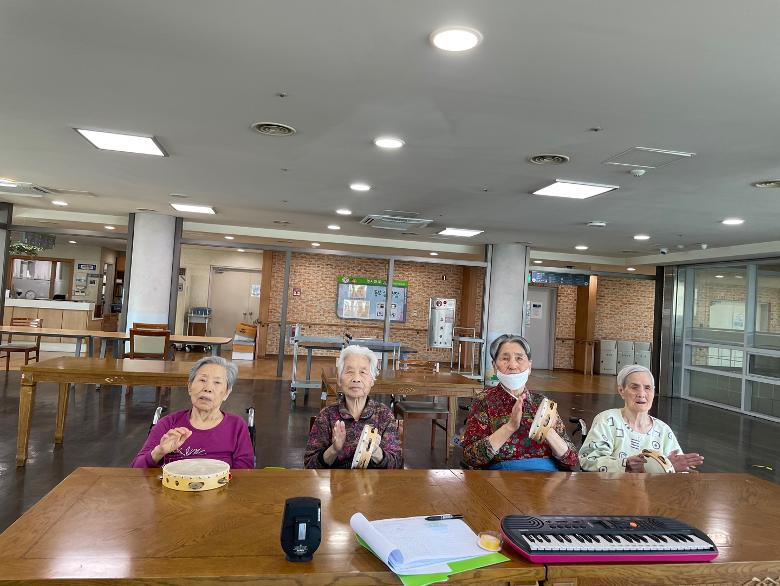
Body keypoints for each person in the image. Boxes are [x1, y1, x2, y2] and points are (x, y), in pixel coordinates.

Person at [461, 334, 578, 471]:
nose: (513, 365)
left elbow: (572, 460)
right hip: (503, 478)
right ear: (494, 366)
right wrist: (510, 427)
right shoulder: (484, 401)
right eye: (505, 359)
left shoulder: (542, 403)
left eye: (519, 358)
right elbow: (471, 458)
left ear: (530, 366)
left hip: (547, 478)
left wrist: (548, 431)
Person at [131, 356, 254, 469]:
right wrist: (159, 452)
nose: (208, 388)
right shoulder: (168, 424)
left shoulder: (236, 426)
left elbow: (245, 473)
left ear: (226, 393)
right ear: (190, 387)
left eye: (217, 382)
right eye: (202, 380)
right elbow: (136, 468)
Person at [579, 364, 704, 473]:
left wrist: (671, 469)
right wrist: (625, 465)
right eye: (635, 387)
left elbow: (677, 468)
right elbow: (588, 460)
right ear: (621, 391)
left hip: (652, 492)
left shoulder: (663, 430)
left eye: (647, 388)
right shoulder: (607, 420)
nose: (642, 394)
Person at [304, 345, 402, 469]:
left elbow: (397, 465)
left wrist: (376, 452)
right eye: (349, 372)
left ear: (372, 380)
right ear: (339, 379)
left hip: (373, 482)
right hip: (336, 481)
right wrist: (334, 449)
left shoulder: (384, 415)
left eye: (363, 372)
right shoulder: (327, 415)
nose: (356, 379)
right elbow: (309, 465)